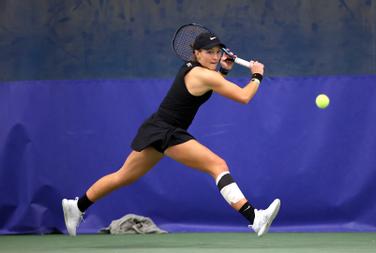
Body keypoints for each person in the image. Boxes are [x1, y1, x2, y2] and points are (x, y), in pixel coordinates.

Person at [62, 32, 280, 237]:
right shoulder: (204, 74)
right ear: (196, 53)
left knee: (123, 176)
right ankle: (255, 217)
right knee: (218, 165)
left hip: (158, 128)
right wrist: (257, 75)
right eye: (208, 52)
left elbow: (208, 87)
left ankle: (77, 206)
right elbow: (244, 96)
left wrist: (223, 71)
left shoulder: (194, 70)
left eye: (217, 51)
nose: (214, 56)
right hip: (168, 132)